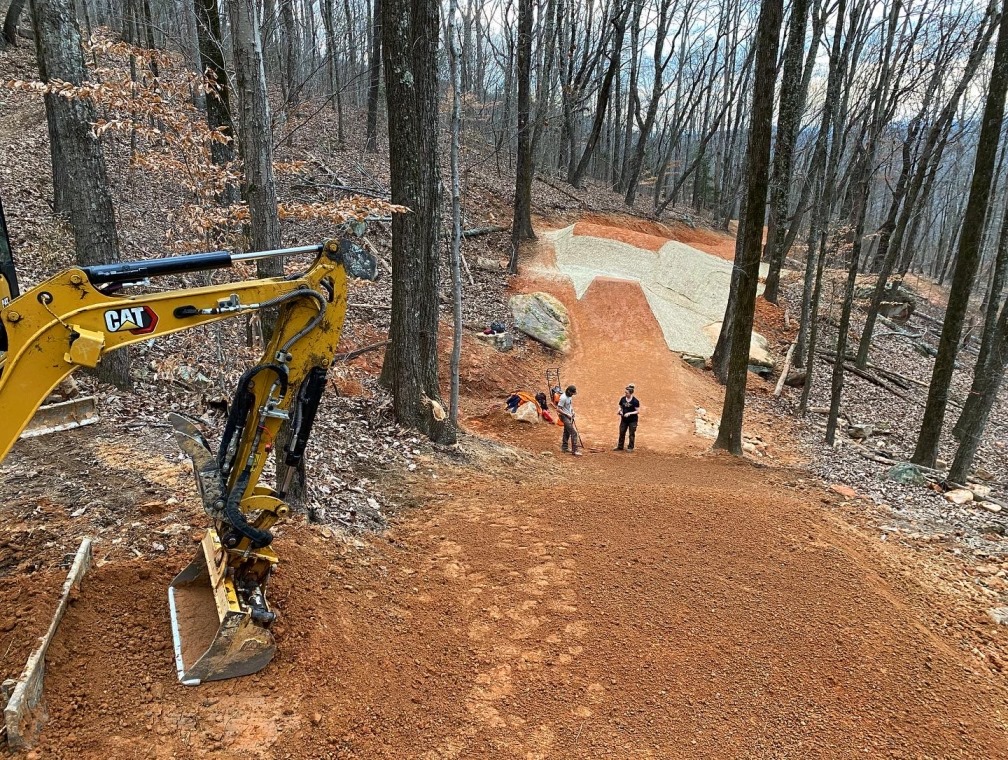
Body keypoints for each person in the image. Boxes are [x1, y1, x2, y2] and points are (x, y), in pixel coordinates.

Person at [556, 385, 582, 456]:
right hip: (564, 416)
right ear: (568, 391)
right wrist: (567, 414)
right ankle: (575, 450)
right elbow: (558, 409)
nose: (572, 395)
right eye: (572, 393)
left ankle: (564, 447)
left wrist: (572, 411)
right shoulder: (563, 398)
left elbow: (569, 406)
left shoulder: (569, 396)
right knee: (574, 433)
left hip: (569, 415)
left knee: (566, 431)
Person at [615, 384, 640, 451]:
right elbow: (620, 406)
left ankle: (630, 447)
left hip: (632, 420)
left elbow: (637, 411)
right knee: (622, 432)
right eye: (625, 392)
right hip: (624, 420)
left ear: (630, 393)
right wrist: (619, 411)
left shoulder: (635, 401)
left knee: (631, 434)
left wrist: (629, 413)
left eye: (627, 393)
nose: (625, 394)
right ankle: (620, 446)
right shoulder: (623, 399)